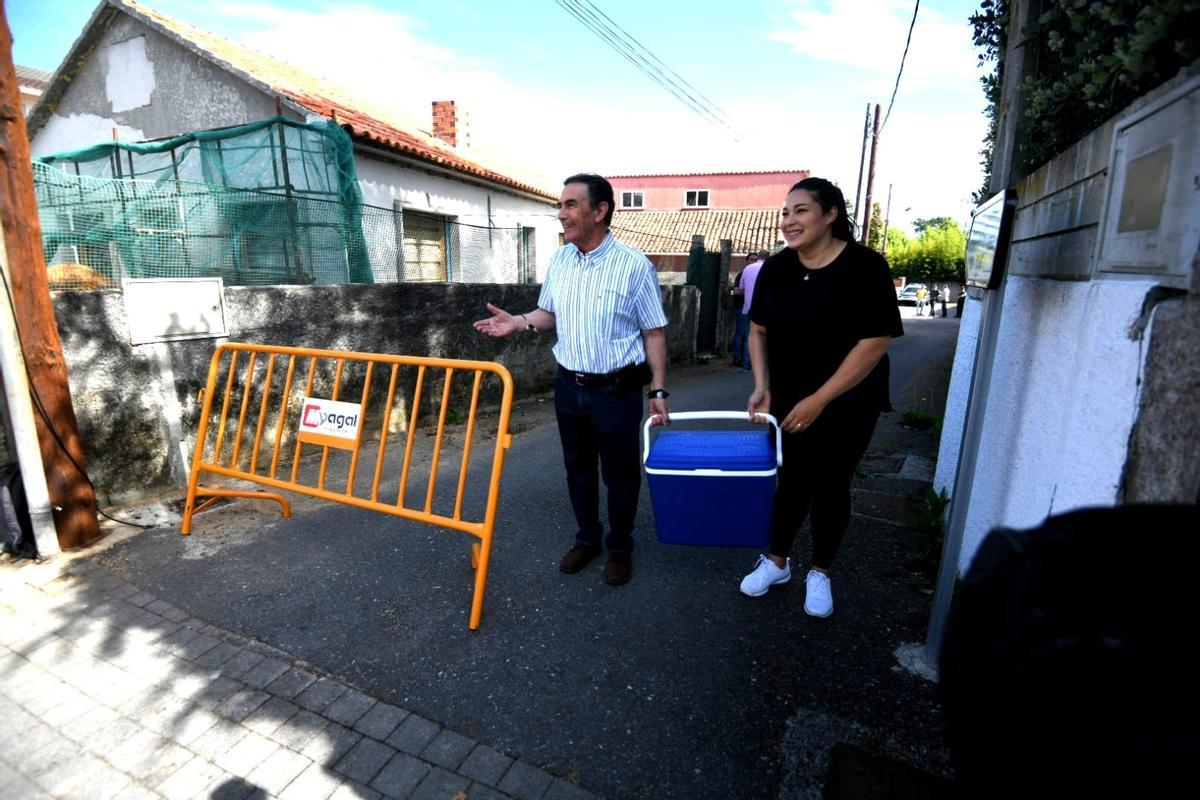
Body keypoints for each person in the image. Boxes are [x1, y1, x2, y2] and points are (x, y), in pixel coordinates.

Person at [473, 173, 670, 586]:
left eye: (570, 205)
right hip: (569, 386)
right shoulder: (561, 260)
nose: (561, 215)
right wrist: (520, 322)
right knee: (577, 468)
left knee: (620, 476)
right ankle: (588, 538)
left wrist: (657, 389)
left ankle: (620, 546)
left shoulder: (634, 267)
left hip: (615, 391)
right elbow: (550, 314)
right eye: (560, 206)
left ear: (600, 211)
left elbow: (653, 332)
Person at [739, 177, 903, 616]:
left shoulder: (865, 266)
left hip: (851, 397)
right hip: (791, 395)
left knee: (831, 483)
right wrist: (762, 385)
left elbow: (874, 342)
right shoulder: (776, 269)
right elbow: (758, 331)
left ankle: (820, 571)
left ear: (831, 215)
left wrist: (820, 399)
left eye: (801, 210)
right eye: (786, 212)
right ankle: (777, 561)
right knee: (791, 479)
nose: (789, 220)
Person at [732, 250, 767, 370]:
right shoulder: (743, 273)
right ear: (746, 261)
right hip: (743, 307)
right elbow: (736, 290)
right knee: (742, 334)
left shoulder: (750, 271)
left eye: (754, 260)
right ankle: (738, 359)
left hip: (746, 307)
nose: (753, 261)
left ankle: (745, 362)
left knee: (747, 335)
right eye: (751, 260)